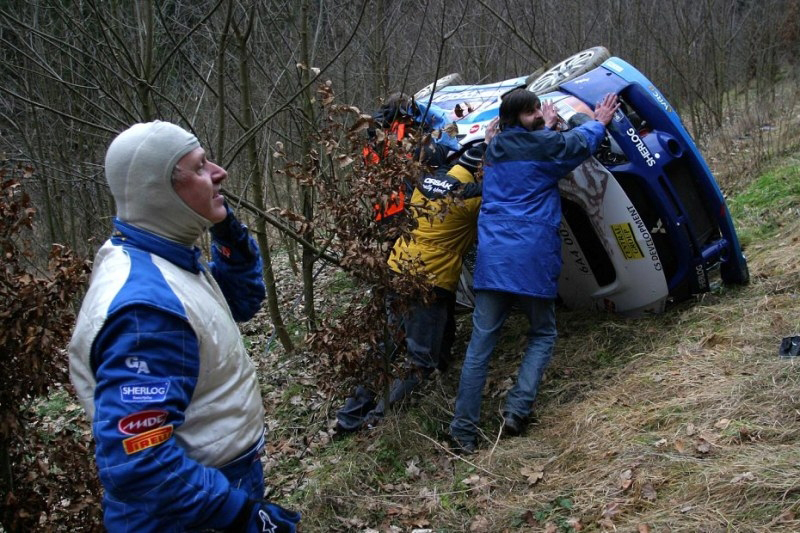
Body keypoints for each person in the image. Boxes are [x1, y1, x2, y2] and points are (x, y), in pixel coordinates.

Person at [68, 121, 301, 532]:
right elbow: (140, 460)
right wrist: (241, 515)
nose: (218, 172)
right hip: (187, 511)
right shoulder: (146, 311)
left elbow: (239, 303)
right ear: (159, 191)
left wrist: (226, 229)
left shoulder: (159, 256)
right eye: (198, 167)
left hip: (209, 487)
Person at [448, 90, 620, 454]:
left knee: (480, 348)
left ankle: (463, 432)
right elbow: (577, 144)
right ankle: (517, 409)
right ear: (524, 116)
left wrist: (540, 125)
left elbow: (530, 143)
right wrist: (600, 121)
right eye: (532, 112)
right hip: (530, 257)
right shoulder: (545, 146)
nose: (537, 116)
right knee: (542, 333)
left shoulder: (493, 150)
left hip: (494, 260)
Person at [334, 126, 496, 432]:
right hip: (429, 280)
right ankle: (379, 421)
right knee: (421, 360)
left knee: (386, 347)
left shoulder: (429, 182)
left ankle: (349, 415)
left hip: (399, 268)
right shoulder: (472, 201)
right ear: (480, 173)